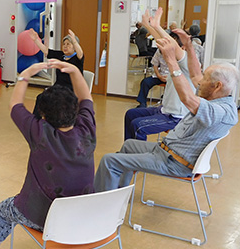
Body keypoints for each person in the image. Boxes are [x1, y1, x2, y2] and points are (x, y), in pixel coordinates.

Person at [0, 60, 95, 249]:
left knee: (3, 211)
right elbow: (87, 97)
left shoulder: (40, 133)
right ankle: (57, 245)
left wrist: (26, 75)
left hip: (40, 216)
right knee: (60, 207)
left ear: (44, 117)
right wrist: (75, 71)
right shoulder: (87, 128)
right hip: (79, 216)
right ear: (76, 110)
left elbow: (15, 106)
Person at [95, 33, 239, 192]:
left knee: (109, 161)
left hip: (175, 162)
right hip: (165, 150)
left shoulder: (222, 112)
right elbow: (195, 74)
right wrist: (189, 46)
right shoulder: (218, 98)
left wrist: (170, 60)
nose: (199, 82)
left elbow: (187, 99)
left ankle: (102, 206)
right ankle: (118, 191)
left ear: (217, 86)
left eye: (205, 79)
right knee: (129, 145)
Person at [124, 9, 196, 140]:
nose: (166, 48)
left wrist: (156, 26)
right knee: (131, 114)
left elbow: (171, 46)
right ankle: (128, 151)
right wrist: (147, 25)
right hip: (164, 110)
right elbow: (162, 43)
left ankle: (137, 158)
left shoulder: (187, 63)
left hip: (177, 117)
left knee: (138, 125)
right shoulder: (173, 61)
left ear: (183, 49)